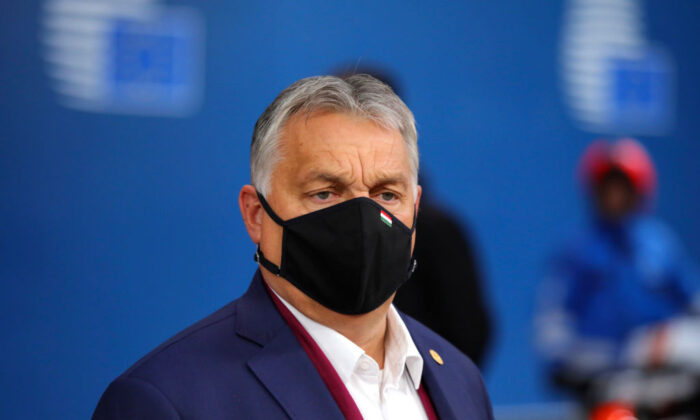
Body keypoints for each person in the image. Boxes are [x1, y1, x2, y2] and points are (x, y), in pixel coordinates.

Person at [92, 75, 493, 419]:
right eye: (325, 194)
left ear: (416, 208)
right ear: (256, 214)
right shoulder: (167, 400)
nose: (363, 220)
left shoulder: (459, 379)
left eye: (387, 194)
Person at [535, 138, 700, 401]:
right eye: (607, 189)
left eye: (622, 189)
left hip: (661, 380)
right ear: (594, 191)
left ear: (639, 192)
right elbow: (553, 321)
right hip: (602, 383)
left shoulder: (658, 242)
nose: (615, 197)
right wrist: (566, 367)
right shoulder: (576, 250)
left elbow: (692, 299)